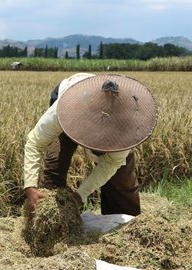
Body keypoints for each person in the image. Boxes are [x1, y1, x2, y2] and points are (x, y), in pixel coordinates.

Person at [23, 73, 158, 216]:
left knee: (122, 176)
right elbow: (35, 142)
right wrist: (30, 187)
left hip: (113, 123)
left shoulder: (128, 126)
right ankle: (47, 221)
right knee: (55, 164)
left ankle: (123, 223)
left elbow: (111, 164)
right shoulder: (65, 109)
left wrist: (80, 195)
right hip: (72, 101)